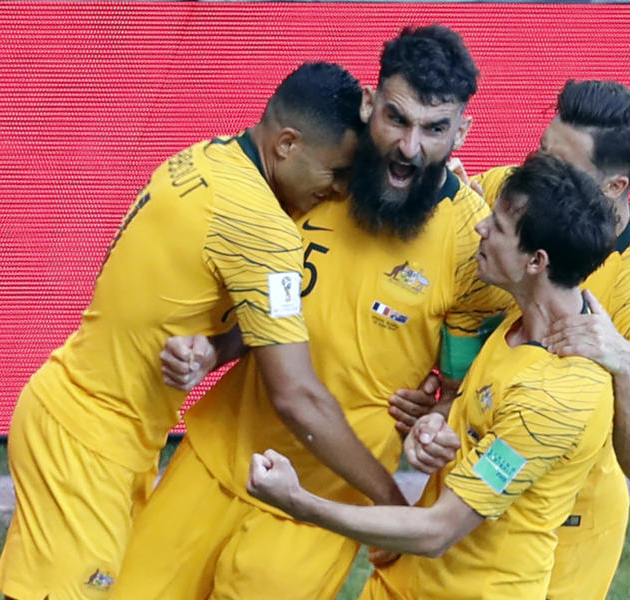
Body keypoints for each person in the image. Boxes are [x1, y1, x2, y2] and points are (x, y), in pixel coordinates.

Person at [112, 25, 513, 600]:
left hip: (323, 500)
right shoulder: (315, 183)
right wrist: (215, 348)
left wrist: (440, 405)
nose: (410, 147)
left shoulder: (470, 244)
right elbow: (275, 309)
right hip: (220, 450)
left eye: (434, 129)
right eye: (397, 119)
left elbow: (480, 359)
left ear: (462, 131)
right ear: (369, 105)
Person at [0, 62, 405, 600]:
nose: (341, 192)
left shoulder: (205, 157)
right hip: (88, 444)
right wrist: (388, 500)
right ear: (287, 144)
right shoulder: (261, 227)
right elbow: (298, 396)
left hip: (84, 420)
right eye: (337, 174)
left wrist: (214, 348)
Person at [248, 153, 619, 600]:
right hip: (405, 583)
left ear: (536, 261)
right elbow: (483, 415)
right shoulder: (520, 323)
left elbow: (438, 530)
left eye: (497, 226)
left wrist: (297, 501)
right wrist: (437, 421)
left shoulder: (560, 395)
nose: (480, 228)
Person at [410, 79, 630, 598]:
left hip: (568, 534)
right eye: (540, 150)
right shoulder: (504, 197)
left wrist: (623, 364)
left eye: (560, 164)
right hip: (463, 494)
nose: (535, 170)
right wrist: (434, 400)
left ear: (613, 188)